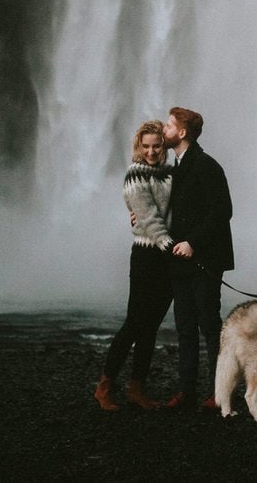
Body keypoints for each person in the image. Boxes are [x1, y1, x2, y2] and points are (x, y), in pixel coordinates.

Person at [94, 120, 175, 411]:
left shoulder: (171, 173)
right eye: (146, 146)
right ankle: (104, 387)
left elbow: (177, 210)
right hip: (147, 256)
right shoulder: (135, 174)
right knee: (134, 324)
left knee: (151, 327)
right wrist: (170, 246)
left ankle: (136, 389)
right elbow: (149, 217)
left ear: (164, 146)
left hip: (168, 257)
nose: (151, 152)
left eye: (157, 146)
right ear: (139, 147)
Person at [161, 107, 234, 410]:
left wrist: (193, 242)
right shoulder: (176, 168)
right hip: (180, 261)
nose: (163, 129)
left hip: (205, 260)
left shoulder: (206, 165)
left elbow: (223, 210)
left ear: (182, 133)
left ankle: (220, 393)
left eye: (169, 125)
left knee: (209, 326)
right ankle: (187, 391)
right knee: (185, 327)